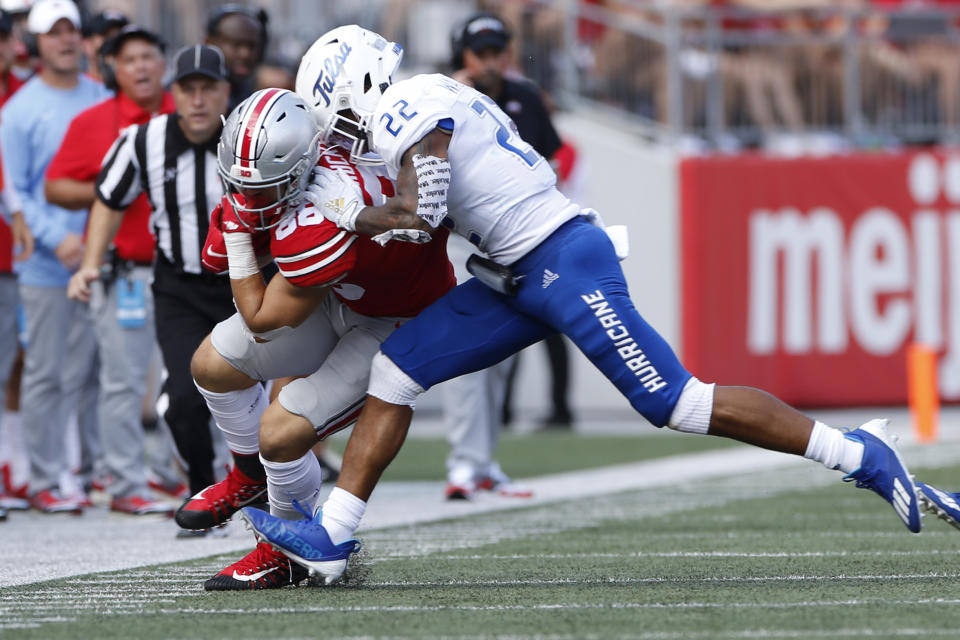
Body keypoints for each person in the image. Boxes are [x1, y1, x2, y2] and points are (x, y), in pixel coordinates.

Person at [241, 25, 957, 585]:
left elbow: (422, 207)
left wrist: (350, 214)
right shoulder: (435, 91)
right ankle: (333, 535)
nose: (339, 136)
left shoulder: (408, 106)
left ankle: (857, 452)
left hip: (558, 259)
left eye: (336, 119)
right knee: (394, 371)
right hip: (513, 273)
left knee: (675, 403)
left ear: (356, 88)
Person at [180, 88, 453, 589]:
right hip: (344, 298)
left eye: (261, 188)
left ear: (302, 165)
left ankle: (282, 549)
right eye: (240, 184)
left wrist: (241, 237)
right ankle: (248, 476)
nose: (248, 197)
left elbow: (261, 317)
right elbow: (212, 260)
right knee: (213, 365)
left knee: (281, 431)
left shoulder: (324, 214)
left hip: (395, 319)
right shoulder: (310, 165)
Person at [69, 44, 233, 532]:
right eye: (189, 89)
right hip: (178, 288)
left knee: (259, 401)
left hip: (243, 288)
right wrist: (91, 263)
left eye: (209, 88)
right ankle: (205, 491)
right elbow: (108, 199)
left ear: (226, 91)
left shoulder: (250, 136)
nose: (199, 100)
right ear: (173, 93)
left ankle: (272, 495)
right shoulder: (142, 141)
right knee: (182, 399)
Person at [55, 25, 175, 515]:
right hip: (122, 271)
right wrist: (115, 188)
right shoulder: (93, 122)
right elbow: (55, 186)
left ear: (163, 64)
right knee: (123, 381)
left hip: (184, 273)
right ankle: (125, 483)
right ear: (113, 70)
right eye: (130, 59)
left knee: (194, 378)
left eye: (150, 55)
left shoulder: (188, 117)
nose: (142, 66)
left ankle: (175, 471)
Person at [0, 0, 110, 514]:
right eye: (54, 32)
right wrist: (55, 239)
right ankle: (42, 478)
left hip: (101, 259)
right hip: (45, 265)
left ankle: (91, 474)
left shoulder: (103, 98)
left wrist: (93, 243)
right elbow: (13, 193)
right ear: (37, 43)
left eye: (73, 31)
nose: (66, 40)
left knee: (94, 372)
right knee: (44, 371)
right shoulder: (18, 109)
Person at [204, 4, 268, 112]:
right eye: (236, 44)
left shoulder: (257, 93)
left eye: (252, 46)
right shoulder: (185, 94)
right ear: (210, 43)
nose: (245, 54)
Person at [80, 10, 127, 84]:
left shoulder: (137, 91)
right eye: (106, 36)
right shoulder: (75, 88)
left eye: (120, 36)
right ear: (87, 44)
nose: (115, 42)